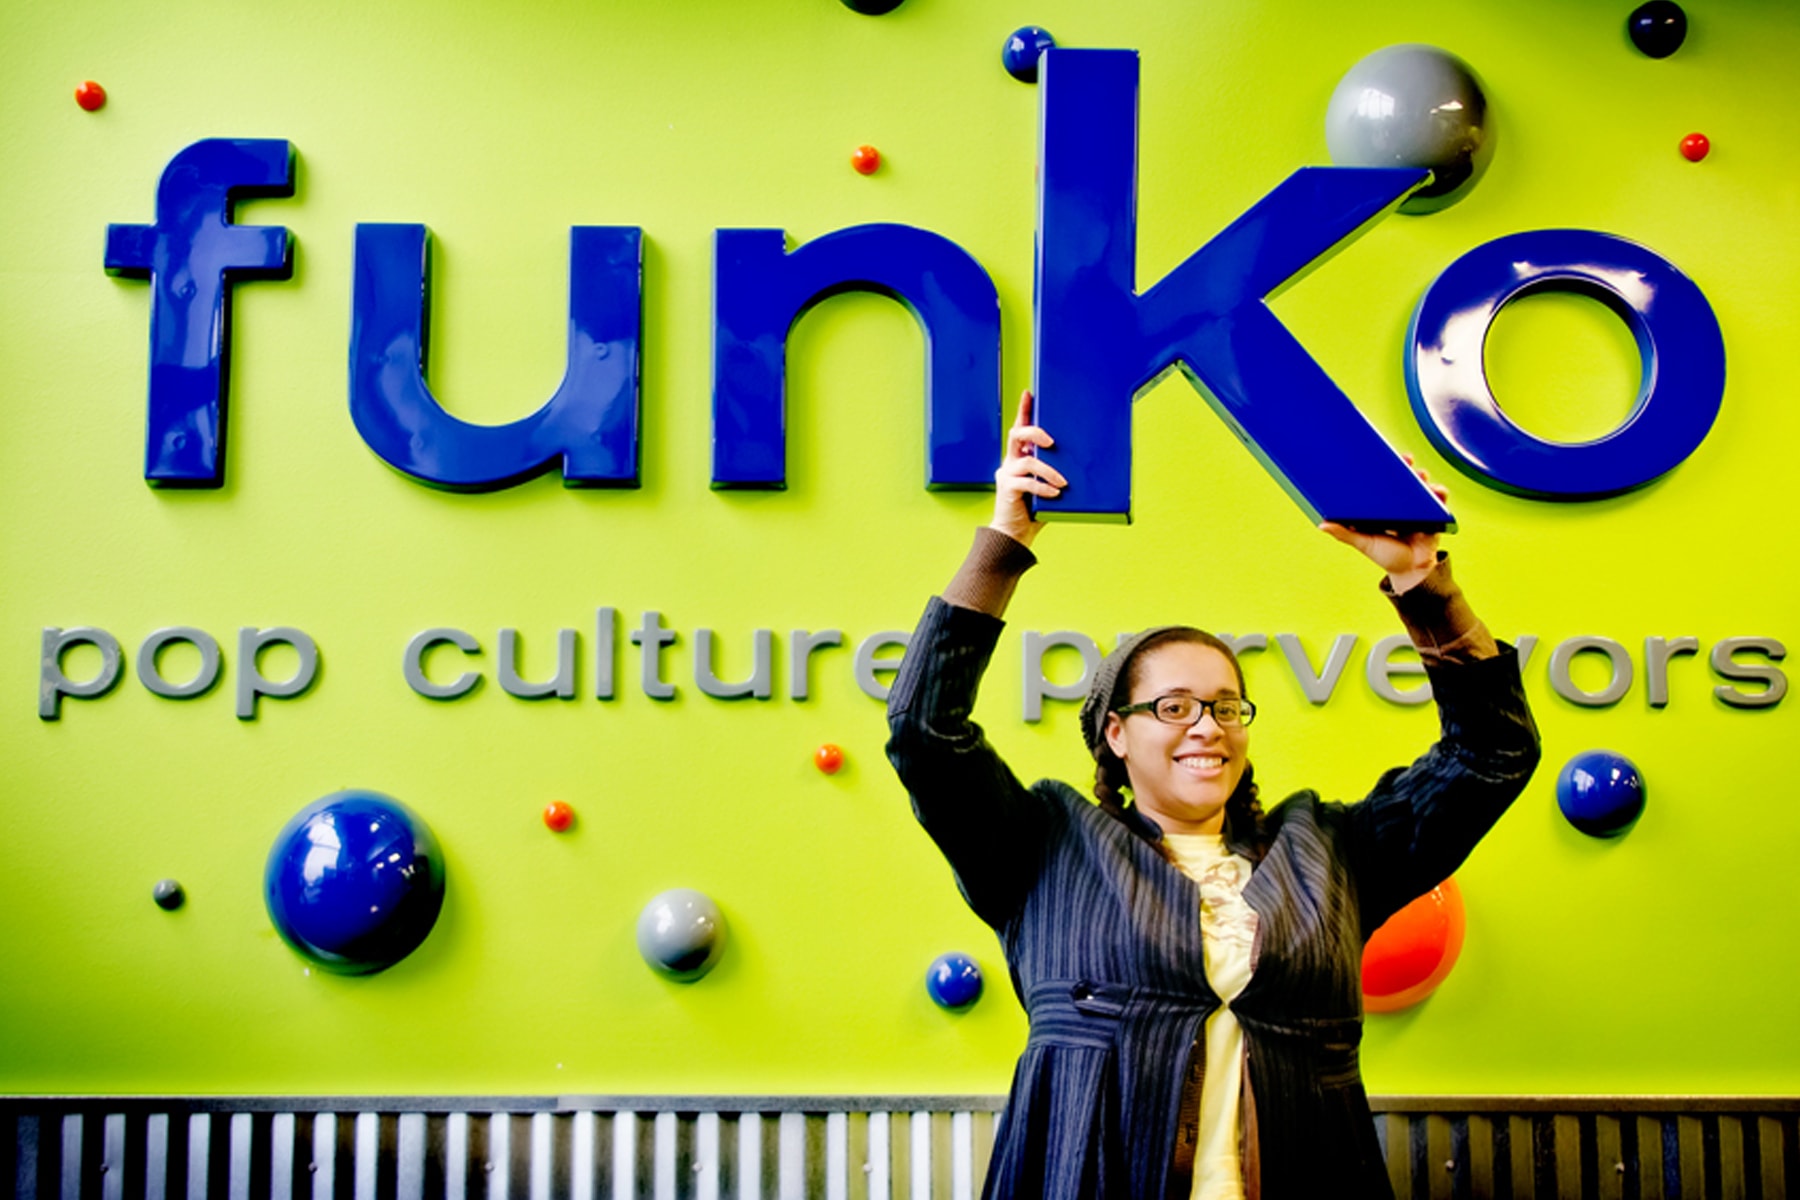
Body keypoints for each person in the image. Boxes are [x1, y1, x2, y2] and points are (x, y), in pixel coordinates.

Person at [885, 393, 1541, 1200]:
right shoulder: (1042, 848)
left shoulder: (1330, 854)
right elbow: (923, 729)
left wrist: (1422, 581)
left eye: (1226, 706)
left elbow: (1493, 753)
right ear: (1116, 736)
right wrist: (1005, 542)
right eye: (1174, 706)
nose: (1207, 727)